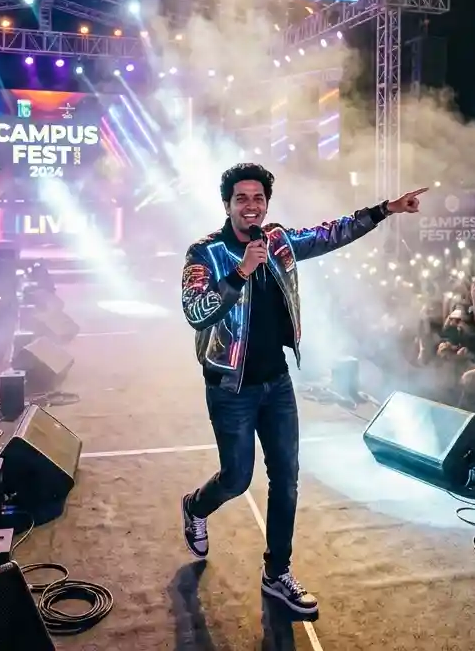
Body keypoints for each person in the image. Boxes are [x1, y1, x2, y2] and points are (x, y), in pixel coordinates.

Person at [177, 162, 428, 614]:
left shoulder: (276, 241)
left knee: (286, 481)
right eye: (242, 199)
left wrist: (385, 210)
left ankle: (278, 573)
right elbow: (196, 312)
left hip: (276, 383)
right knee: (236, 479)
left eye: (258, 199)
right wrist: (239, 274)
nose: (251, 207)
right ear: (227, 205)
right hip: (230, 387)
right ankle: (196, 507)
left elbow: (332, 233)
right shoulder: (206, 252)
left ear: (266, 204)